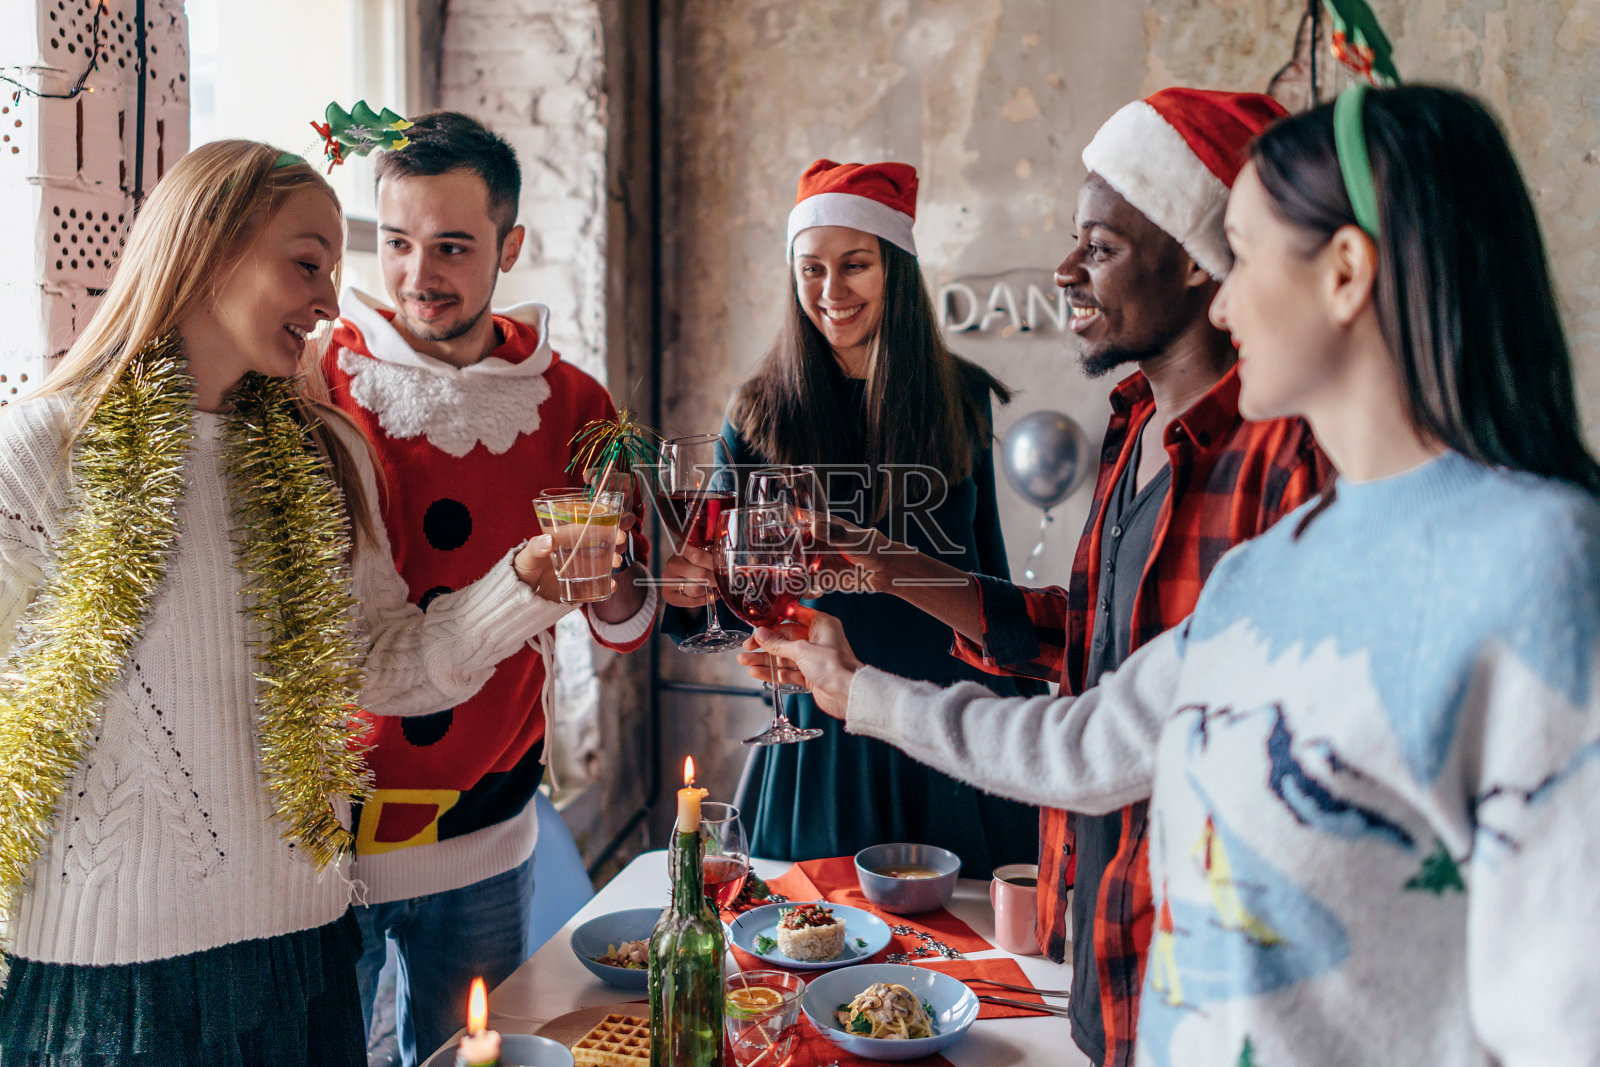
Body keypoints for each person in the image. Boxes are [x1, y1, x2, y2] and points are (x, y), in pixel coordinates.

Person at [750, 83, 1600, 1065]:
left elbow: (1560, 1011)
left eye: (1238, 253)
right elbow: (1085, 741)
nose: (1226, 291)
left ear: (1345, 274)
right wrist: (849, 684)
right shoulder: (1268, 575)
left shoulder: (1538, 567)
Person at [0, 141, 586, 1064]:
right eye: (306, 263)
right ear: (207, 247)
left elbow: (381, 661)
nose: (327, 302)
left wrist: (524, 587)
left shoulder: (323, 455)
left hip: (302, 951)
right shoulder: (39, 454)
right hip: (110, 971)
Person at [789, 89, 1328, 1067]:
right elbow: (1085, 639)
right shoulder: (1132, 426)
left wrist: (860, 693)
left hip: (1213, 983)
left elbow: (1122, 737)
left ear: (1204, 261)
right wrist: (881, 559)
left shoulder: (1280, 460)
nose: (1065, 270)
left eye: (1102, 247)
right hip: (1107, 944)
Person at [320, 112, 656, 1065]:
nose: (419, 274)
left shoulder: (578, 404)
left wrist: (620, 579)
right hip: (321, 836)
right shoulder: (319, 380)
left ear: (510, 246)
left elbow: (624, 628)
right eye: (396, 243)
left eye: (453, 247)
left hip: (487, 823)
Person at [661, 159, 1042, 872]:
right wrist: (687, 593)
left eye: (855, 265)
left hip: (944, 718)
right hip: (823, 726)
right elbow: (712, 572)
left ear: (895, 268)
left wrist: (1023, 704)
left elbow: (984, 567)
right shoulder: (758, 411)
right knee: (811, 948)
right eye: (811, 269)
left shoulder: (961, 397)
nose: (831, 291)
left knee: (957, 960)